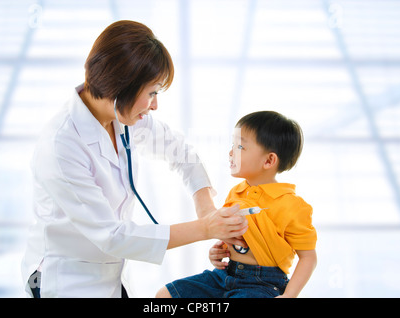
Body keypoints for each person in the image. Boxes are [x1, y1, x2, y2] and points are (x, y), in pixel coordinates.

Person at [21, 20, 248, 298]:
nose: (155, 105)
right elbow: (113, 236)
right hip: (68, 280)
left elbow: (180, 151)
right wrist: (205, 228)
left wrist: (205, 208)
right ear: (121, 86)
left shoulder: (123, 116)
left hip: (110, 275)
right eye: (152, 92)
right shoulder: (61, 146)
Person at [156, 111, 317, 298]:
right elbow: (233, 235)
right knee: (165, 295)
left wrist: (289, 295)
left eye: (240, 146)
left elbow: (309, 258)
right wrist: (220, 250)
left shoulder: (292, 205)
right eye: (233, 145)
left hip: (262, 284)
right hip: (223, 276)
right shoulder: (237, 192)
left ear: (269, 160)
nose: (231, 152)